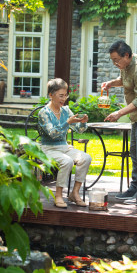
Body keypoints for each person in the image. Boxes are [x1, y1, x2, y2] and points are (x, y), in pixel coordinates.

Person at [101, 40, 137, 205]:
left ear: (126, 55)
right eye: (113, 60)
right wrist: (110, 84)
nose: (115, 63)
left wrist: (119, 113)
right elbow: (124, 80)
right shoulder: (126, 66)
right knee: (135, 154)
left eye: (116, 60)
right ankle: (134, 189)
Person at [38, 78, 92, 208]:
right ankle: (58, 195)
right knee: (67, 161)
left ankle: (74, 193)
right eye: (61, 95)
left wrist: (83, 122)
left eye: (65, 95)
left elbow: (79, 130)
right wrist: (67, 122)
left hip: (64, 147)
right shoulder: (44, 113)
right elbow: (52, 133)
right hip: (47, 148)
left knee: (86, 158)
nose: (64, 98)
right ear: (51, 95)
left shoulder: (66, 111)